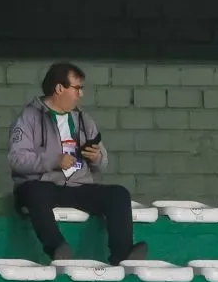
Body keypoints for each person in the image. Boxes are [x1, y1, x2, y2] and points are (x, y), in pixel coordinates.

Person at [8, 61, 147, 265]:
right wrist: (53, 161)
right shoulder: (29, 118)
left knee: (118, 194)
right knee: (32, 192)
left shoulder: (83, 119)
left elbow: (102, 165)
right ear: (59, 88)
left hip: (78, 186)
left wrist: (96, 157)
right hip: (43, 185)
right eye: (77, 88)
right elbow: (16, 159)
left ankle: (123, 254)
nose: (81, 94)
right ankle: (57, 247)